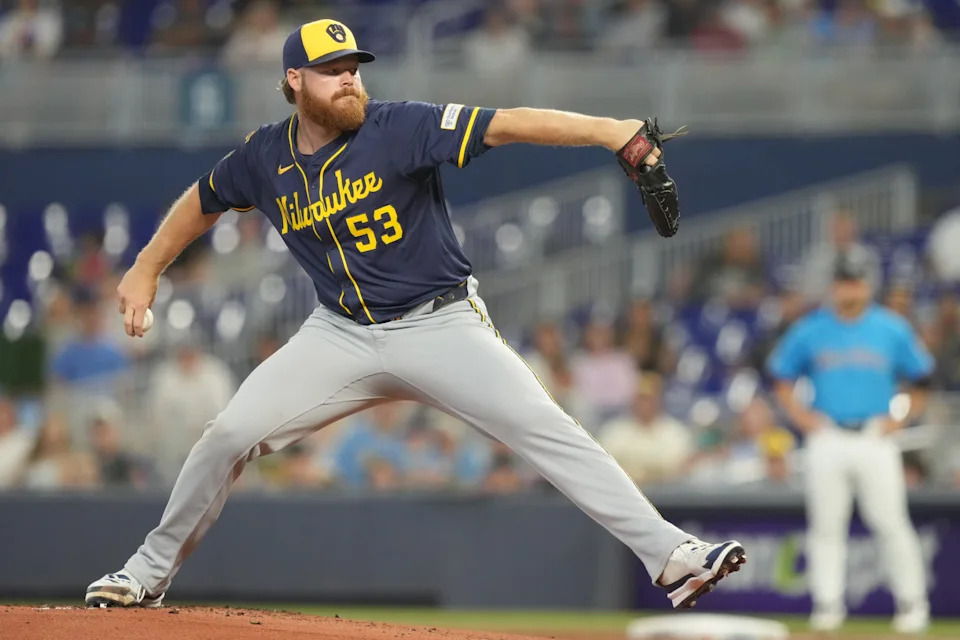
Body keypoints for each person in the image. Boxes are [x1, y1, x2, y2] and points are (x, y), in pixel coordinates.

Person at [84, 18, 744, 611]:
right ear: (294, 80)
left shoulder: (399, 126)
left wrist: (610, 131)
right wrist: (146, 267)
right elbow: (203, 200)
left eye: (353, 67)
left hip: (439, 324)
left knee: (544, 427)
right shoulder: (263, 156)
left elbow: (508, 122)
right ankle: (147, 572)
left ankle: (672, 556)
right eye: (332, 70)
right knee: (227, 434)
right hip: (339, 333)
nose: (349, 79)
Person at [768, 250, 932, 633]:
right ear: (834, 285)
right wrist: (801, 417)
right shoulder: (811, 328)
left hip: (875, 435)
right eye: (844, 281)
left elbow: (923, 378)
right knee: (826, 526)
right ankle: (827, 606)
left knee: (891, 523)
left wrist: (902, 418)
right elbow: (780, 376)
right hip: (828, 434)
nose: (849, 289)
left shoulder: (890, 327)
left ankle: (912, 604)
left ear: (867, 285)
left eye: (855, 281)